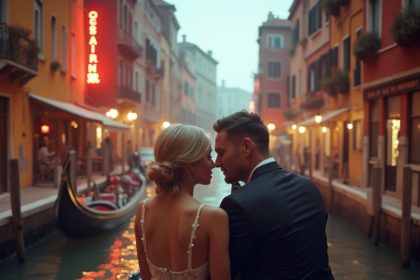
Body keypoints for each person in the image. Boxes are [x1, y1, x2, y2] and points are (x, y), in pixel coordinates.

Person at [213, 111, 334, 280]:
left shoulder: (237, 204)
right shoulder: (308, 186)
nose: (217, 162)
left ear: (246, 147)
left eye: (221, 152)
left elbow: (226, 273)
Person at [134, 124, 230, 280]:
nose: (213, 164)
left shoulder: (143, 210)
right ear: (191, 165)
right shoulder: (214, 218)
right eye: (208, 157)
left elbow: (146, 277)